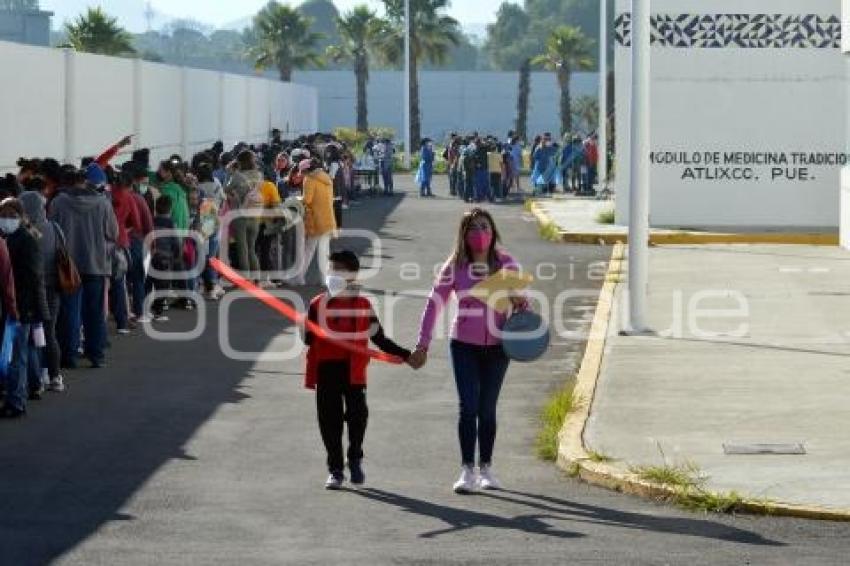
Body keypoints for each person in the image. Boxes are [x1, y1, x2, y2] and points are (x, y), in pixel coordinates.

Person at [409, 208, 528, 493]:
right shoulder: (455, 265)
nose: (480, 233)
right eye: (473, 228)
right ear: (463, 234)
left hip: (499, 347)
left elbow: (524, 310)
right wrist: (422, 343)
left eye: (484, 226)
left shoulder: (506, 263)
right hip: (463, 345)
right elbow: (433, 304)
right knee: (468, 407)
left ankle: (486, 468)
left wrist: (520, 301)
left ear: (493, 231)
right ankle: (467, 471)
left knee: (487, 410)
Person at [303, 250, 414, 489]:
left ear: (353, 276)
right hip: (326, 370)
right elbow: (307, 340)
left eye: (340, 271)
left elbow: (379, 339)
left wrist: (405, 355)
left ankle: (354, 458)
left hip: (353, 371)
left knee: (357, 417)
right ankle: (335, 468)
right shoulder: (317, 304)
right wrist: (311, 329)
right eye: (332, 269)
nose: (334, 275)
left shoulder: (363, 305)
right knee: (329, 421)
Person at [50, 167, 118, 369]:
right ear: (87, 182)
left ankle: (69, 356)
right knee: (95, 311)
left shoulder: (58, 203)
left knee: (69, 312)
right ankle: (96, 355)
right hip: (96, 264)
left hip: (67, 266)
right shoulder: (103, 203)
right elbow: (113, 233)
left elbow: (53, 231)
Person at [0, 198, 49, 417]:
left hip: (22, 305)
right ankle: (32, 385)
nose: (6, 220)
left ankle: (16, 402)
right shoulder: (14, 236)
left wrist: (22, 306)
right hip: (17, 304)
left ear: (20, 217)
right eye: (3, 216)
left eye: (10, 216)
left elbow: (32, 277)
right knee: (25, 350)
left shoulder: (25, 240)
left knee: (16, 354)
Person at [20, 191, 65, 393]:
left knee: (31, 336)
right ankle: (55, 376)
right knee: (49, 331)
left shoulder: (25, 231)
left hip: (30, 290)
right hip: (53, 287)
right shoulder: (54, 228)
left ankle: (37, 378)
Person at [291, 159, 336, 287]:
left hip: (315, 219)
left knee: (308, 249)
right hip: (328, 217)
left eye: (303, 172)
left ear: (306, 170)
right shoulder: (326, 177)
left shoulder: (309, 179)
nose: (302, 174)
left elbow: (308, 200)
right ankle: (324, 280)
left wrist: (297, 199)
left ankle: (299, 277)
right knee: (324, 251)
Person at [225, 150, 264, 280]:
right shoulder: (259, 175)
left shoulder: (237, 176)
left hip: (240, 216)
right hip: (254, 214)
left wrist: (229, 173)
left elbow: (225, 189)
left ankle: (246, 279)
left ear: (240, 162)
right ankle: (257, 277)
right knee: (252, 248)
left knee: (243, 249)